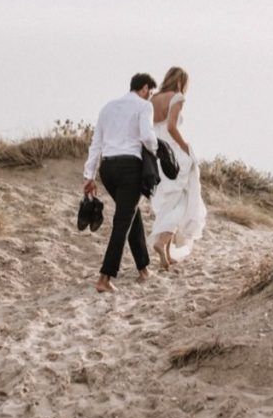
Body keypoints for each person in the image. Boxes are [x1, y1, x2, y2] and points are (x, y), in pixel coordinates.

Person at [82, 73, 159, 293]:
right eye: (150, 93)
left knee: (130, 214)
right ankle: (104, 278)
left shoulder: (108, 107)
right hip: (129, 168)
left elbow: (96, 144)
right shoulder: (144, 106)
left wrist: (90, 175)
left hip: (108, 169)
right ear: (144, 88)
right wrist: (156, 151)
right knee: (123, 221)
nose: (150, 97)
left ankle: (143, 268)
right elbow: (146, 136)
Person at [147, 67, 207, 270]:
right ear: (181, 82)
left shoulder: (153, 99)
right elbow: (172, 127)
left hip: (157, 154)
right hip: (174, 154)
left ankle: (166, 253)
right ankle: (162, 241)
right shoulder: (177, 97)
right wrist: (185, 147)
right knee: (182, 201)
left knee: (168, 202)